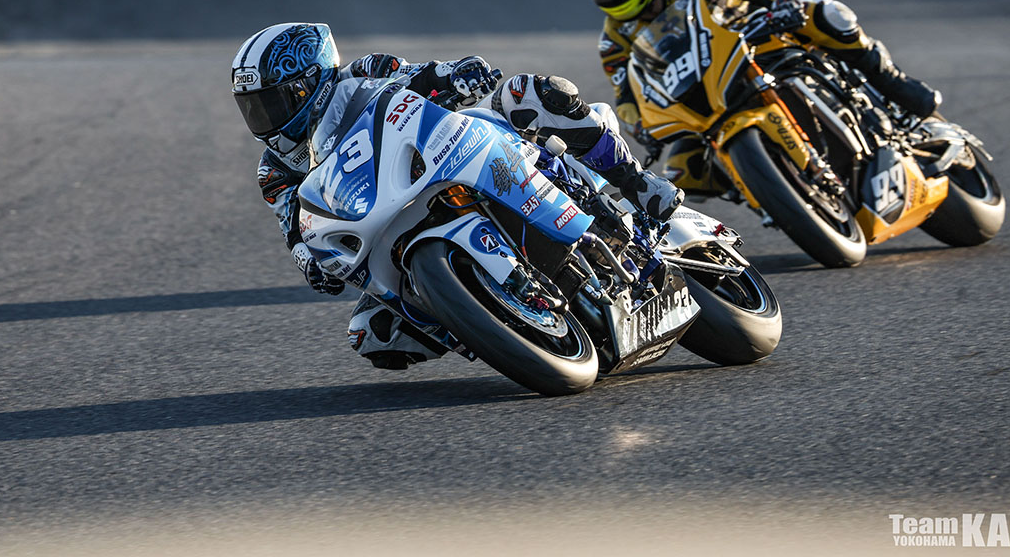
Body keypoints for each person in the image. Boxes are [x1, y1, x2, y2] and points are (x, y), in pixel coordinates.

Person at [231, 23, 682, 369]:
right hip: (382, 219)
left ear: (309, 82)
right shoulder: (275, 170)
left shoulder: (365, 73)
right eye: (252, 107)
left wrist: (457, 74)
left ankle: (637, 183)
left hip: (440, 154)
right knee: (373, 333)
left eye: (272, 102)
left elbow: (418, 75)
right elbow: (294, 226)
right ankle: (493, 323)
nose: (263, 118)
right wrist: (309, 262)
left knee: (527, 94)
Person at [576, 0, 940, 197]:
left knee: (825, 14)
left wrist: (783, 1)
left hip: (754, 42)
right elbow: (626, 97)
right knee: (682, 172)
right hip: (699, 96)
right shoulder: (613, 41)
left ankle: (889, 79)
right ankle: (764, 189)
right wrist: (640, 127)